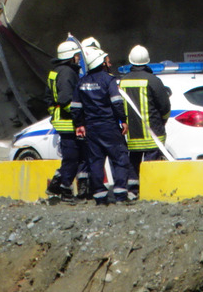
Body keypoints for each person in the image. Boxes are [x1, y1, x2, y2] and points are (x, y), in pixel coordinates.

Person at [70, 47, 134, 205]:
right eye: (107, 59)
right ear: (101, 62)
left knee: (96, 161)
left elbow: (75, 107)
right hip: (109, 126)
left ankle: (99, 196)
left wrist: (79, 124)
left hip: (92, 128)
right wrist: (123, 120)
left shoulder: (82, 82)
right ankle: (120, 195)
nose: (109, 62)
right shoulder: (108, 80)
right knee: (120, 158)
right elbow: (116, 102)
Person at [119, 45, 171, 198]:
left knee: (133, 162)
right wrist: (163, 120)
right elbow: (165, 106)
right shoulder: (153, 80)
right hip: (152, 133)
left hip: (132, 134)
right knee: (151, 164)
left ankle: (132, 191)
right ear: (147, 61)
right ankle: (150, 191)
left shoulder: (123, 81)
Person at [43, 39, 88, 201]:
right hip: (69, 122)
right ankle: (64, 189)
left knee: (75, 156)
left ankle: (58, 184)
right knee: (72, 157)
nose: (78, 58)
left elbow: (48, 98)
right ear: (71, 56)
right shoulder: (68, 73)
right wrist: (80, 117)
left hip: (61, 121)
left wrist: (53, 115)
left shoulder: (56, 71)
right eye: (76, 55)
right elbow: (66, 100)